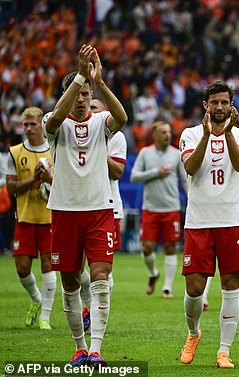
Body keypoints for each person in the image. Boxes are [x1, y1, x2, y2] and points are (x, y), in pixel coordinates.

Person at [42, 44, 127, 366]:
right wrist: (79, 76)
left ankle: (96, 349)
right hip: (64, 210)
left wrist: (100, 83)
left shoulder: (101, 122)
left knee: (101, 279)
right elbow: (52, 122)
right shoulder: (56, 122)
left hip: (99, 211)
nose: (81, 98)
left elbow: (122, 117)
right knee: (70, 281)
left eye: (85, 93)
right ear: (69, 92)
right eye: (77, 92)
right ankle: (78, 347)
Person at [178, 80, 239, 369]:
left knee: (231, 284)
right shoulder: (190, 134)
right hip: (198, 221)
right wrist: (208, 137)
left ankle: (224, 350)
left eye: (224, 102)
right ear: (205, 105)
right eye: (214, 102)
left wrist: (228, 134)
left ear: (231, 105)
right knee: (195, 288)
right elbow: (190, 167)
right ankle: (194, 333)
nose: (219, 107)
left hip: (232, 219)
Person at [6, 106, 56, 330]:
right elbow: (10, 188)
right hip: (24, 217)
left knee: (48, 264)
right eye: (25, 125)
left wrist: (49, 179)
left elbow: (64, 185)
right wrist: (34, 179)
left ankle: (45, 316)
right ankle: (36, 298)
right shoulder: (15, 152)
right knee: (22, 269)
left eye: (33, 124)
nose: (28, 128)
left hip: (49, 218)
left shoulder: (54, 150)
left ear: (42, 126)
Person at [79, 98, 127, 332]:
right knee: (76, 269)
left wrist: (98, 149)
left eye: (95, 108)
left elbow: (118, 171)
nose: (90, 111)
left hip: (108, 206)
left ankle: (94, 314)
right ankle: (91, 304)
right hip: (78, 206)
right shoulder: (74, 131)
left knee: (102, 268)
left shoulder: (116, 136)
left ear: (104, 113)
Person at [130, 121, 187, 299]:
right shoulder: (145, 153)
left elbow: (185, 181)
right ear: (155, 135)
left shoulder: (177, 154)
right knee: (147, 248)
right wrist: (155, 172)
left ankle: (167, 288)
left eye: (169, 132)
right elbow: (133, 177)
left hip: (171, 208)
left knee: (170, 247)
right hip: (150, 209)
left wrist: (192, 198)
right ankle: (154, 273)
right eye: (163, 132)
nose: (167, 135)